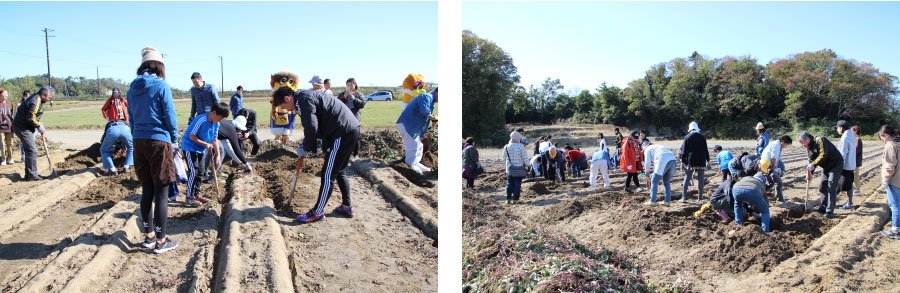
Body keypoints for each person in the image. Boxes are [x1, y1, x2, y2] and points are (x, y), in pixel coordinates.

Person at [272, 79, 359, 223]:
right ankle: (346, 206)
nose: (286, 110)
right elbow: (320, 123)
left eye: (284, 106)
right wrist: (309, 145)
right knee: (339, 171)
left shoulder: (303, 100)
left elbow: (311, 127)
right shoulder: (304, 98)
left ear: (288, 98)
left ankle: (317, 212)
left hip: (342, 133)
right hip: (346, 130)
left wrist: (307, 148)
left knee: (327, 174)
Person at [127, 47, 178, 253]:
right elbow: (170, 114)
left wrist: (136, 134)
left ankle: (148, 236)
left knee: (147, 189)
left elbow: (130, 116)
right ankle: (161, 240)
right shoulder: (161, 86)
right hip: (159, 141)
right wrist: (173, 138)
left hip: (139, 141)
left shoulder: (131, 88)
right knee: (162, 192)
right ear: (159, 66)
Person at [183, 103, 228, 207]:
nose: (221, 120)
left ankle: (196, 194)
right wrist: (205, 144)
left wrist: (217, 155)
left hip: (201, 149)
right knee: (193, 171)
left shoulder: (216, 123)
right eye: (220, 117)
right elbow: (191, 136)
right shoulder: (201, 120)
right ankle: (189, 197)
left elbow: (214, 139)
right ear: (214, 113)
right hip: (190, 147)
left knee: (201, 172)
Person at [396, 75, 437, 175]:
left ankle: (416, 163)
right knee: (413, 145)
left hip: (413, 126)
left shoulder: (430, 101)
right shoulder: (426, 96)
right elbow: (425, 111)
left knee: (419, 145)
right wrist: (434, 118)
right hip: (407, 124)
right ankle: (410, 165)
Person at [798, 131, 843, 219]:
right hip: (826, 167)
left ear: (807, 139)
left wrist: (813, 164)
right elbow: (811, 161)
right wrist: (810, 172)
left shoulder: (820, 140)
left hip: (836, 164)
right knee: (822, 187)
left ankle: (829, 211)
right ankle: (823, 207)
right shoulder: (809, 148)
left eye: (802, 142)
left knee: (831, 186)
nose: (802, 145)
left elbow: (823, 155)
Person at [12, 86, 53, 181]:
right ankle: (32, 175)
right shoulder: (35, 100)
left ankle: (29, 174)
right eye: (49, 97)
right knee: (32, 151)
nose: (50, 99)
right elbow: (30, 117)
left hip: (23, 126)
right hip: (23, 128)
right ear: (43, 95)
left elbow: (33, 115)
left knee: (29, 151)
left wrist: (38, 125)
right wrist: (39, 126)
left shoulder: (36, 98)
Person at [99, 88, 134, 175]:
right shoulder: (110, 101)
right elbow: (103, 109)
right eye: (114, 92)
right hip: (114, 122)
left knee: (104, 148)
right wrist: (107, 117)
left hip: (122, 123)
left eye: (117, 92)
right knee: (131, 146)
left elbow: (130, 109)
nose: (115, 94)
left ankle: (112, 168)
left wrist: (129, 118)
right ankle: (127, 165)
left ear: (119, 93)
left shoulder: (123, 101)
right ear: (112, 93)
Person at [732, 157, 772, 233]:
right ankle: (765, 231)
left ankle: (738, 223)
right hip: (753, 190)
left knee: (737, 204)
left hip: (736, 188)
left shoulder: (748, 176)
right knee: (765, 211)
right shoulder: (761, 184)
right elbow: (764, 199)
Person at [878, 125, 900, 239]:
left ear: (885, 135)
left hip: (895, 180)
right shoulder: (898, 143)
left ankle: (896, 230)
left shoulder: (890, 145)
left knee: (895, 205)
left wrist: (885, 179)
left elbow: (890, 165)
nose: (882, 139)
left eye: (882, 137)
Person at [680, 121, 710, 202]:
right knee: (701, 178)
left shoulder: (687, 137)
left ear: (689, 129)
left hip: (691, 160)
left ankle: (684, 197)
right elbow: (706, 150)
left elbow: (684, 151)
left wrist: (682, 162)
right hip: (701, 160)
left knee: (687, 178)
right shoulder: (702, 137)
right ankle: (700, 197)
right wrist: (708, 161)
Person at [759, 135, 792, 204]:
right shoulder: (777, 145)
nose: (786, 146)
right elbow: (773, 158)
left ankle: (759, 193)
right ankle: (780, 200)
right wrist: (774, 169)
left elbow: (776, 159)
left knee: (771, 182)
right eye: (787, 144)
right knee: (778, 182)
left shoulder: (776, 144)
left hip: (765, 164)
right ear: (783, 141)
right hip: (767, 165)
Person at [836, 120, 858, 209]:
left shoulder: (845, 138)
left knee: (839, 185)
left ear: (841, 128)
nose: (837, 130)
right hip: (851, 164)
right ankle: (849, 202)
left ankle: (848, 203)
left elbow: (843, 153)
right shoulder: (851, 135)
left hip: (845, 165)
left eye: (837, 128)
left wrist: (838, 165)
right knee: (849, 184)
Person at [503, 131, 529, 204]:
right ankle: (516, 199)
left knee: (509, 183)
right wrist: (528, 164)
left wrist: (506, 166)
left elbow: (504, 158)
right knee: (517, 184)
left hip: (510, 169)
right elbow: (525, 158)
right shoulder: (521, 146)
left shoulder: (506, 146)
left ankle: (508, 199)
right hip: (519, 168)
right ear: (518, 138)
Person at [0, 88, 13, 165]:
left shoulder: (10, 104)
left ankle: (10, 158)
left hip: (9, 128)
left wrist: (13, 128)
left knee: (9, 144)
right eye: (4, 93)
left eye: (7, 94)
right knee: (2, 144)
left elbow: (12, 116)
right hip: (0, 128)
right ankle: (3, 159)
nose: (6, 95)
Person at [852, 125, 863, 196]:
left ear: (855, 130)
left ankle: (857, 191)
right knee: (852, 175)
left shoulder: (858, 139)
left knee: (855, 176)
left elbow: (857, 151)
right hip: (852, 160)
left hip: (855, 161)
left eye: (852, 130)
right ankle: (853, 189)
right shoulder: (853, 139)